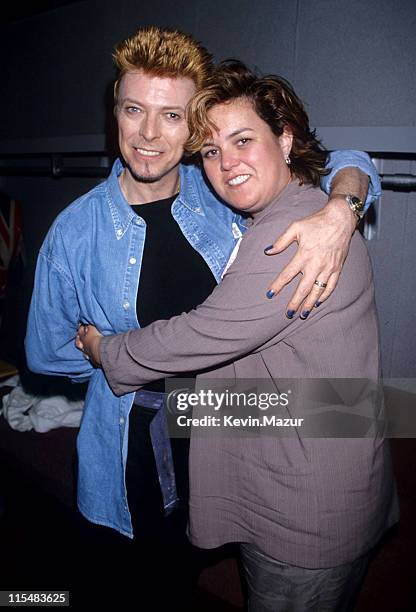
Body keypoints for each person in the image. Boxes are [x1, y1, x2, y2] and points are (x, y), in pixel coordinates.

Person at [25, 26, 381, 606]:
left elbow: (345, 157)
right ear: (113, 111)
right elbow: (45, 352)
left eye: (171, 117)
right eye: (133, 110)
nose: (147, 134)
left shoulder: (219, 189)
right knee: (137, 583)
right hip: (134, 442)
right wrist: (120, 370)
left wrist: (341, 209)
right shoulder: (75, 232)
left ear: (192, 125)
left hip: (224, 430)